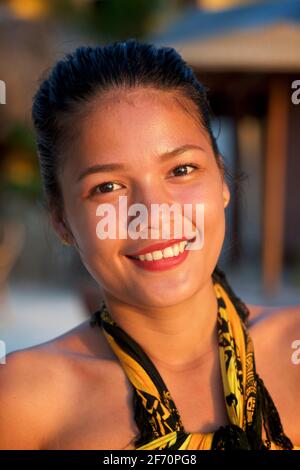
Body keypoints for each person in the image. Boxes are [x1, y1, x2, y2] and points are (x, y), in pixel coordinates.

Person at [0, 39, 299, 450]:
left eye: (181, 169)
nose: (154, 213)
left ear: (222, 180)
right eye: (107, 187)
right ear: (61, 219)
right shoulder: (22, 399)